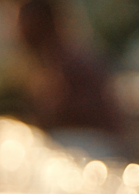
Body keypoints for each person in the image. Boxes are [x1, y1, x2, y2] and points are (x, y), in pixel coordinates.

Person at [15, 0, 124, 157]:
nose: (18, 30)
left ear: (40, 22)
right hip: (82, 146)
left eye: (24, 21)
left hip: (92, 148)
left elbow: (70, 117)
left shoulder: (70, 64)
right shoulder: (51, 61)